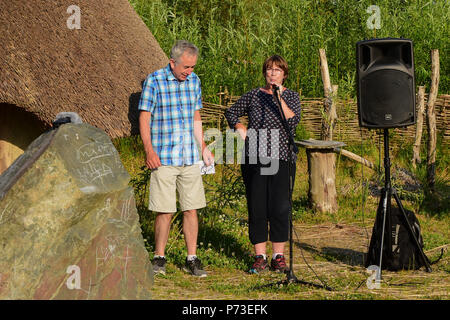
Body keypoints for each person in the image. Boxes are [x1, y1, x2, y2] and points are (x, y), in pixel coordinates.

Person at [138, 40, 214, 277]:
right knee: (165, 210)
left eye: (192, 67)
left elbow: (196, 116)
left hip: (190, 156)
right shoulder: (155, 81)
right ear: (172, 62)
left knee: (191, 209)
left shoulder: (195, 81)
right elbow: (144, 117)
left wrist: (203, 147)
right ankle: (159, 257)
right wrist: (149, 150)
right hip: (164, 157)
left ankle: (192, 258)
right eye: (186, 67)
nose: (189, 72)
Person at [225, 55, 301, 274]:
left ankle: (278, 256)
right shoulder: (253, 95)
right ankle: (260, 256)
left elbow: (293, 120)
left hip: (282, 158)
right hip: (254, 158)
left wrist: (279, 98)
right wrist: (239, 126)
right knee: (257, 206)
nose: (272, 73)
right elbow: (230, 112)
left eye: (277, 70)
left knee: (280, 207)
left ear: (284, 74)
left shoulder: (291, 97)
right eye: (269, 70)